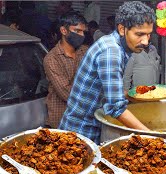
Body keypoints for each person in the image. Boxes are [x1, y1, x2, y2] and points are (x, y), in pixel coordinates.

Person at [59, 1, 155, 144]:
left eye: (148, 35)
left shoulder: (118, 46)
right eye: (140, 34)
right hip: (79, 134)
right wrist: (155, 137)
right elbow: (116, 108)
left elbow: (111, 90)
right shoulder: (111, 52)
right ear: (122, 29)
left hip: (90, 128)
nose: (146, 42)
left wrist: (141, 98)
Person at [43, 12, 88, 128]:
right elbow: (67, 93)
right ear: (64, 31)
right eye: (77, 31)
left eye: (83, 32)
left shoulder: (85, 51)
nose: (82, 35)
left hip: (84, 118)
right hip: (62, 118)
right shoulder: (52, 59)